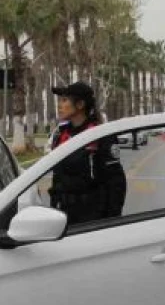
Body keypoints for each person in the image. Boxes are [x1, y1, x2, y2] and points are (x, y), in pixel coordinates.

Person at [47, 81, 126, 226]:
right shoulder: (61, 134)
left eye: (65, 100)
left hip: (92, 217)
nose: (59, 105)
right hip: (63, 216)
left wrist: (112, 221)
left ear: (80, 105)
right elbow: (57, 176)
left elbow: (116, 182)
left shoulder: (100, 135)